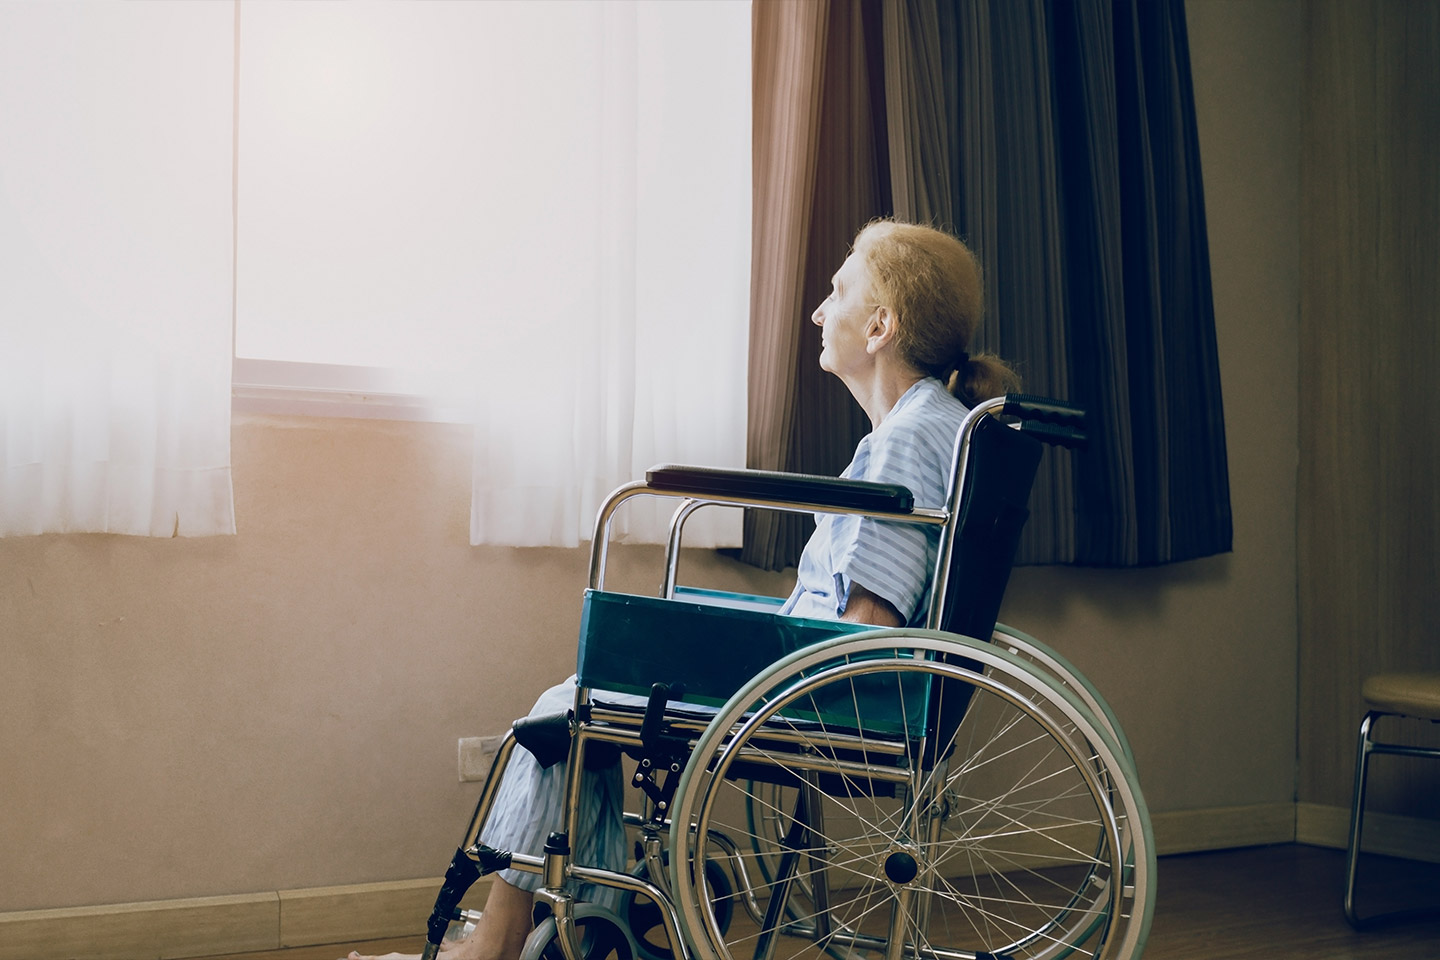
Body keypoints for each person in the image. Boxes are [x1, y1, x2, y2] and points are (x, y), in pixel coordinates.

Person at [348, 219, 1018, 960]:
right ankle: (577, 926)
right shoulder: (932, 425)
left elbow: (866, 622)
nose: (819, 312)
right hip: (816, 678)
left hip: (825, 696)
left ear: (882, 326)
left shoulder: (910, 435)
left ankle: (506, 944)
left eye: (837, 293)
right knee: (581, 698)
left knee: (571, 706)